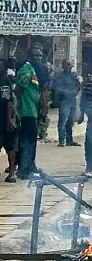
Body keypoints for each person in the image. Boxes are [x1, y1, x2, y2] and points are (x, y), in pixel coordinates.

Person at [14, 49, 44, 179]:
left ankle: (30, 166)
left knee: (31, 140)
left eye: (40, 55)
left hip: (32, 110)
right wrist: (19, 105)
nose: (38, 57)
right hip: (27, 111)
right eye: (35, 55)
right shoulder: (27, 70)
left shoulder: (32, 69)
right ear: (29, 56)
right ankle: (24, 170)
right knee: (27, 141)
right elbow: (19, 89)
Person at [52, 59, 81, 148]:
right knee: (63, 122)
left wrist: (75, 91)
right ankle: (61, 140)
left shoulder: (73, 77)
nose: (70, 66)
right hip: (64, 102)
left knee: (70, 122)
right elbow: (57, 89)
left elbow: (78, 86)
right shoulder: (60, 77)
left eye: (71, 65)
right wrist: (69, 92)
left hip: (72, 101)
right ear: (63, 66)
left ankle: (69, 140)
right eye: (68, 64)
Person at [79, 66, 92, 178]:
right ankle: (91, 165)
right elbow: (84, 98)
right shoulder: (90, 82)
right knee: (91, 140)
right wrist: (82, 113)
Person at [0, 61, 17, 182]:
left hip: (4, 120)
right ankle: (12, 173)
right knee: (9, 146)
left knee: (9, 147)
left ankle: (12, 173)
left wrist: (8, 120)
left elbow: (9, 102)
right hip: (5, 120)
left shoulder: (4, 81)